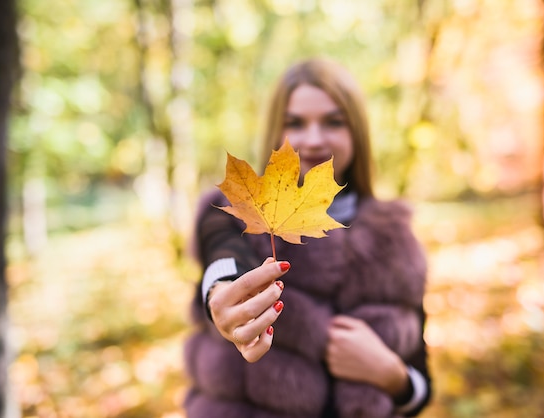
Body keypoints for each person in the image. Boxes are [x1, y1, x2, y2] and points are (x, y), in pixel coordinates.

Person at [184, 58, 431, 418]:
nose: (314, 140)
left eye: (333, 122)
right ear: (275, 130)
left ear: (356, 132)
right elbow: (223, 252)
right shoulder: (237, 208)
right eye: (295, 123)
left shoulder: (396, 241)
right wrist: (222, 292)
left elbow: (421, 386)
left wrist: (392, 376)